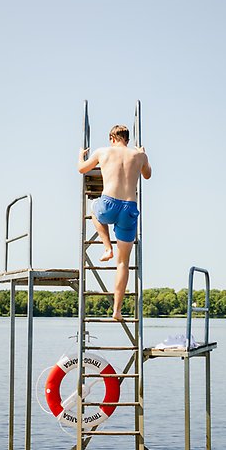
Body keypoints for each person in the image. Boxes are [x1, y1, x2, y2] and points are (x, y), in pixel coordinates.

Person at [78, 124, 152, 321]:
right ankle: (117, 311)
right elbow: (147, 174)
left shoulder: (103, 151)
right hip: (129, 207)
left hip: (109, 203)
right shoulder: (139, 156)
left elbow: (81, 169)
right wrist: (143, 154)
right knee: (123, 264)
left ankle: (107, 247)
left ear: (112, 138)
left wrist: (80, 154)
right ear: (127, 139)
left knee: (93, 208)